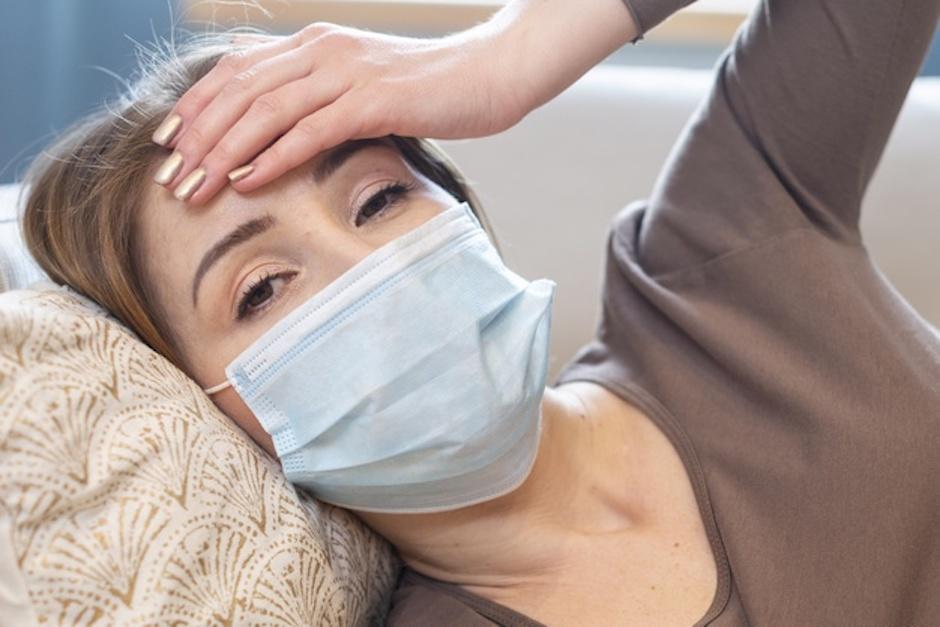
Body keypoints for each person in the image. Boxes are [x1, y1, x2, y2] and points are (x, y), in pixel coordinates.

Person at [21, 0, 940, 624]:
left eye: (380, 198)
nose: (368, 267)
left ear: (456, 203)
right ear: (213, 410)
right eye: (261, 289)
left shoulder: (719, 259)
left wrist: (506, 56)